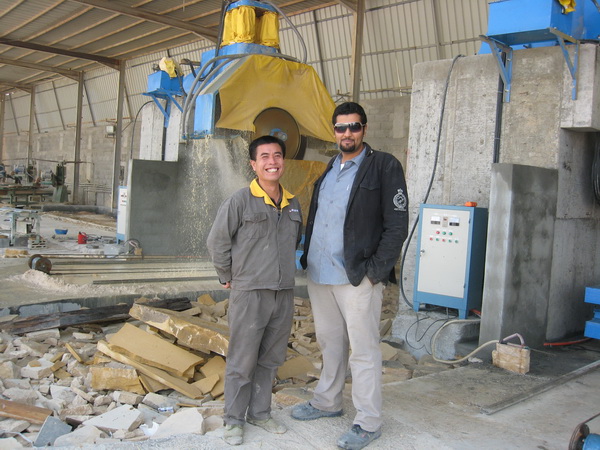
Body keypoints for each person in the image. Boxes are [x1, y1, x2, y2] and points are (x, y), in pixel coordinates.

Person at [291, 102, 409, 449]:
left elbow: (397, 226)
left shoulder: (383, 165)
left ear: (364, 129)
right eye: (341, 128)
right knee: (330, 343)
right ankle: (327, 402)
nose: (347, 133)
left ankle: (368, 422)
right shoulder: (329, 168)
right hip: (320, 274)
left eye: (354, 127)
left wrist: (375, 273)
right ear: (334, 132)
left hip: (357, 277)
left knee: (364, 350)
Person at [206, 135, 303, 446]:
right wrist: (226, 275)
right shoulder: (239, 201)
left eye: (277, 155)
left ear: (283, 161)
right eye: (264, 156)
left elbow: (294, 241)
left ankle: (260, 413)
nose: (272, 162)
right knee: (242, 360)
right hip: (250, 293)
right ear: (253, 164)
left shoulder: (293, 203)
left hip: (283, 293)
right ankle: (234, 420)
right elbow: (217, 241)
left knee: (270, 359)